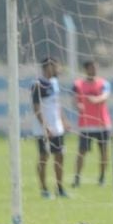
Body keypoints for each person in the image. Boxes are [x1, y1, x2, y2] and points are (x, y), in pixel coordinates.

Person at [31, 57, 70, 199]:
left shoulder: (54, 82)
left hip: (57, 128)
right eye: (56, 67)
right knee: (44, 157)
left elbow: (56, 104)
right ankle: (44, 189)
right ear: (48, 67)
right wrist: (45, 126)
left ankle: (59, 188)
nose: (58, 69)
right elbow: (36, 107)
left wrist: (64, 120)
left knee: (60, 156)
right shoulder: (38, 84)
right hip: (43, 129)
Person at [72, 60, 112, 187]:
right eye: (91, 68)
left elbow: (105, 96)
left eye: (95, 67)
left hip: (102, 124)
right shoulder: (78, 84)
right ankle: (77, 178)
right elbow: (74, 100)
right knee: (82, 152)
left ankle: (102, 178)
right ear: (86, 69)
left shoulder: (103, 83)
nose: (94, 70)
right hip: (86, 124)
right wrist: (78, 105)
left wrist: (96, 99)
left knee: (104, 151)